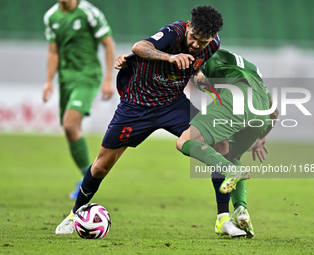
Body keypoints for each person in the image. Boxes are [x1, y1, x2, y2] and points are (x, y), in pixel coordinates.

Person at [55, 5, 224, 235]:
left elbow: (195, 66)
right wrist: (170, 57)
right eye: (193, 37)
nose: (195, 45)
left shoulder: (213, 46)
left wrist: (201, 78)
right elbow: (140, 47)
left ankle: (224, 219)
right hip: (136, 106)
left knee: (219, 146)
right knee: (102, 165)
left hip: (172, 105)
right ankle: (74, 214)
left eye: (202, 42)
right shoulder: (173, 33)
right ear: (189, 25)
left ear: (212, 38)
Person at [177, 49, 279, 238]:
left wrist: (198, 83)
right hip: (261, 108)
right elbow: (274, 112)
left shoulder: (208, 55)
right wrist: (260, 138)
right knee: (233, 155)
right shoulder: (251, 69)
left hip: (236, 97)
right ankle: (241, 209)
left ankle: (229, 170)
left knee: (185, 141)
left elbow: (198, 76)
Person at [42, 0, 115, 199]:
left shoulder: (88, 12)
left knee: (69, 124)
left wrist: (108, 79)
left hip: (87, 77)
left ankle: (87, 180)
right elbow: (53, 51)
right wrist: (49, 81)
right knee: (70, 131)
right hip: (66, 79)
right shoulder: (51, 17)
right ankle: (86, 177)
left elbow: (108, 44)